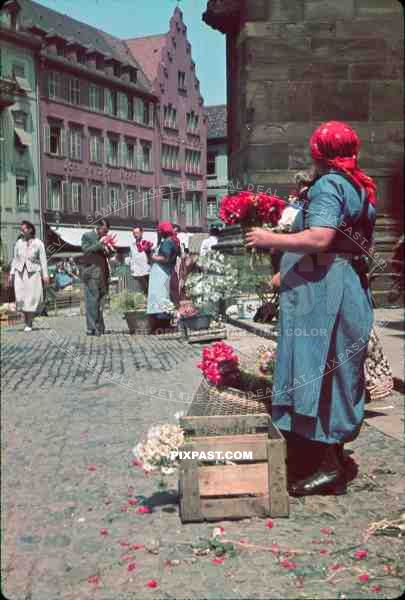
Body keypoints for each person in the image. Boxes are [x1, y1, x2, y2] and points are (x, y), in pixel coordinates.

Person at [246, 121, 376, 496]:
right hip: (343, 283)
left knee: (318, 371)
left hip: (325, 295)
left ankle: (326, 466)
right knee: (334, 370)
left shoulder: (330, 185)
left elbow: (321, 237)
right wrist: (285, 276)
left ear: (318, 152)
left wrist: (270, 238)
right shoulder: (360, 186)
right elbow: (342, 248)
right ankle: (323, 455)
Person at [9, 221, 49, 331]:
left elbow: (43, 260)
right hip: (20, 273)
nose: (22, 231)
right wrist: (11, 273)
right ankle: (27, 321)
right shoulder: (18, 243)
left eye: (24, 229)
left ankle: (29, 323)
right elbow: (15, 259)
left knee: (31, 298)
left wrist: (45, 275)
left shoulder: (38, 243)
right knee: (21, 297)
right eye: (21, 229)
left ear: (30, 230)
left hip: (33, 274)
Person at [80, 219, 115, 336]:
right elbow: (86, 250)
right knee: (92, 299)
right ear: (98, 227)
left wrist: (110, 249)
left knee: (101, 300)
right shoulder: (87, 236)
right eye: (104, 231)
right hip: (91, 272)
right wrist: (100, 244)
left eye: (107, 231)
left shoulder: (104, 237)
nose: (105, 233)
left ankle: (100, 326)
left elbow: (108, 255)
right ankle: (92, 327)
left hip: (103, 272)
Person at [147, 221, 178, 333]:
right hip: (160, 274)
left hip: (162, 274)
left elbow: (166, 258)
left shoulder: (168, 242)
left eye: (159, 230)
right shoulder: (169, 241)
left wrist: (152, 256)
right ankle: (161, 324)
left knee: (160, 298)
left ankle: (161, 326)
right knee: (160, 298)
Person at [129, 225, 151, 295]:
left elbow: (150, 255)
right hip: (136, 272)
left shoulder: (146, 243)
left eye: (137, 233)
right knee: (138, 292)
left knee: (147, 291)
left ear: (142, 233)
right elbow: (132, 257)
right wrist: (131, 267)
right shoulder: (132, 245)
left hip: (145, 271)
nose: (135, 235)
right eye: (134, 233)